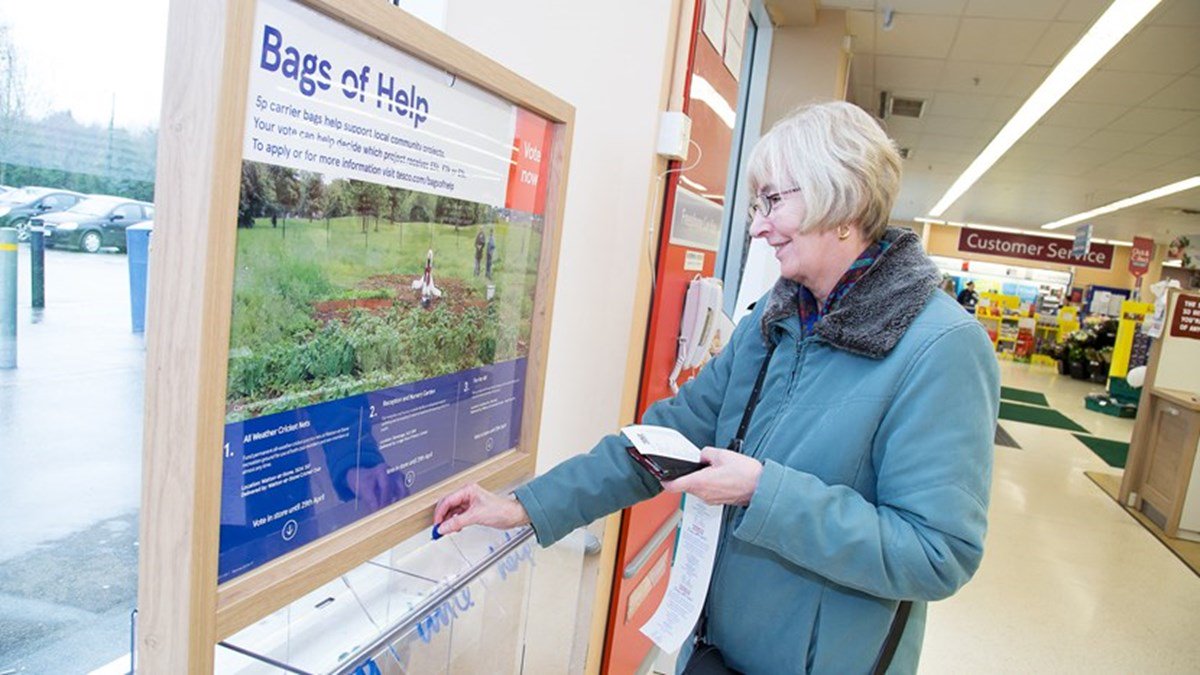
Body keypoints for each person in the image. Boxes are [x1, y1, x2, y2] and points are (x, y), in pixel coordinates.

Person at [434, 101, 999, 673]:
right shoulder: (774, 322)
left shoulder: (941, 348)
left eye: (773, 201)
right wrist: (525, 506)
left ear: (842, 200)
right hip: (712, 654)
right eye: (758, 205)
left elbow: (936, 554)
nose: (757, 226)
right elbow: (663, 439)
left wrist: (764, 492)